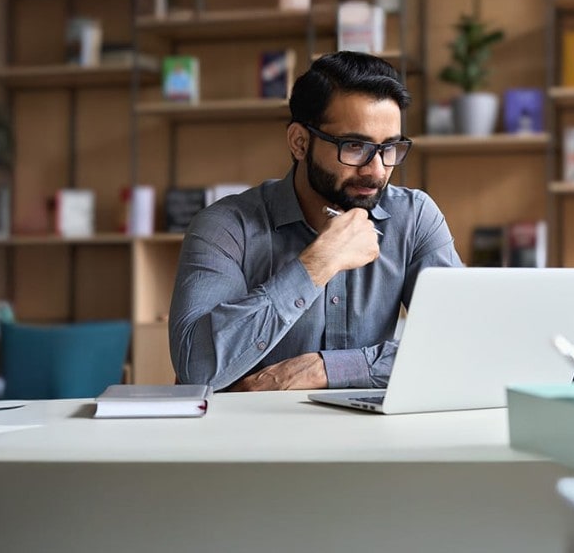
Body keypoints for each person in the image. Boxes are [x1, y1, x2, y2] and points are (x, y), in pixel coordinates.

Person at [169, 51, 462, 391]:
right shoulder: (225, 227)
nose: (378, 170)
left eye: (390, 148)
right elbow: (197, 368)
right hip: (255, 437)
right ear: (299, 142)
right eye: (355, 146)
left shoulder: (414, 218)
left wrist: (324, 369)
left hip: (373, 436)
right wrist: (318, 263)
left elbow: (461, 346)